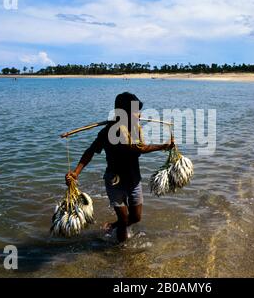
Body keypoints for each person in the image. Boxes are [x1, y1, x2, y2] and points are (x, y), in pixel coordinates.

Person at [65, 92, 174, 242]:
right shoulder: (107, 132)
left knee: (136, 217)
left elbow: (140, 148)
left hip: (134, 179)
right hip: (114, 181)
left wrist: (164, 146)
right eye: (136, 111)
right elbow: (90, 151)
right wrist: (76, 172)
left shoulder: (134, 130)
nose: (139, 114)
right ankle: (121, 252)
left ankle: (112, 226)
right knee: (123, 221)